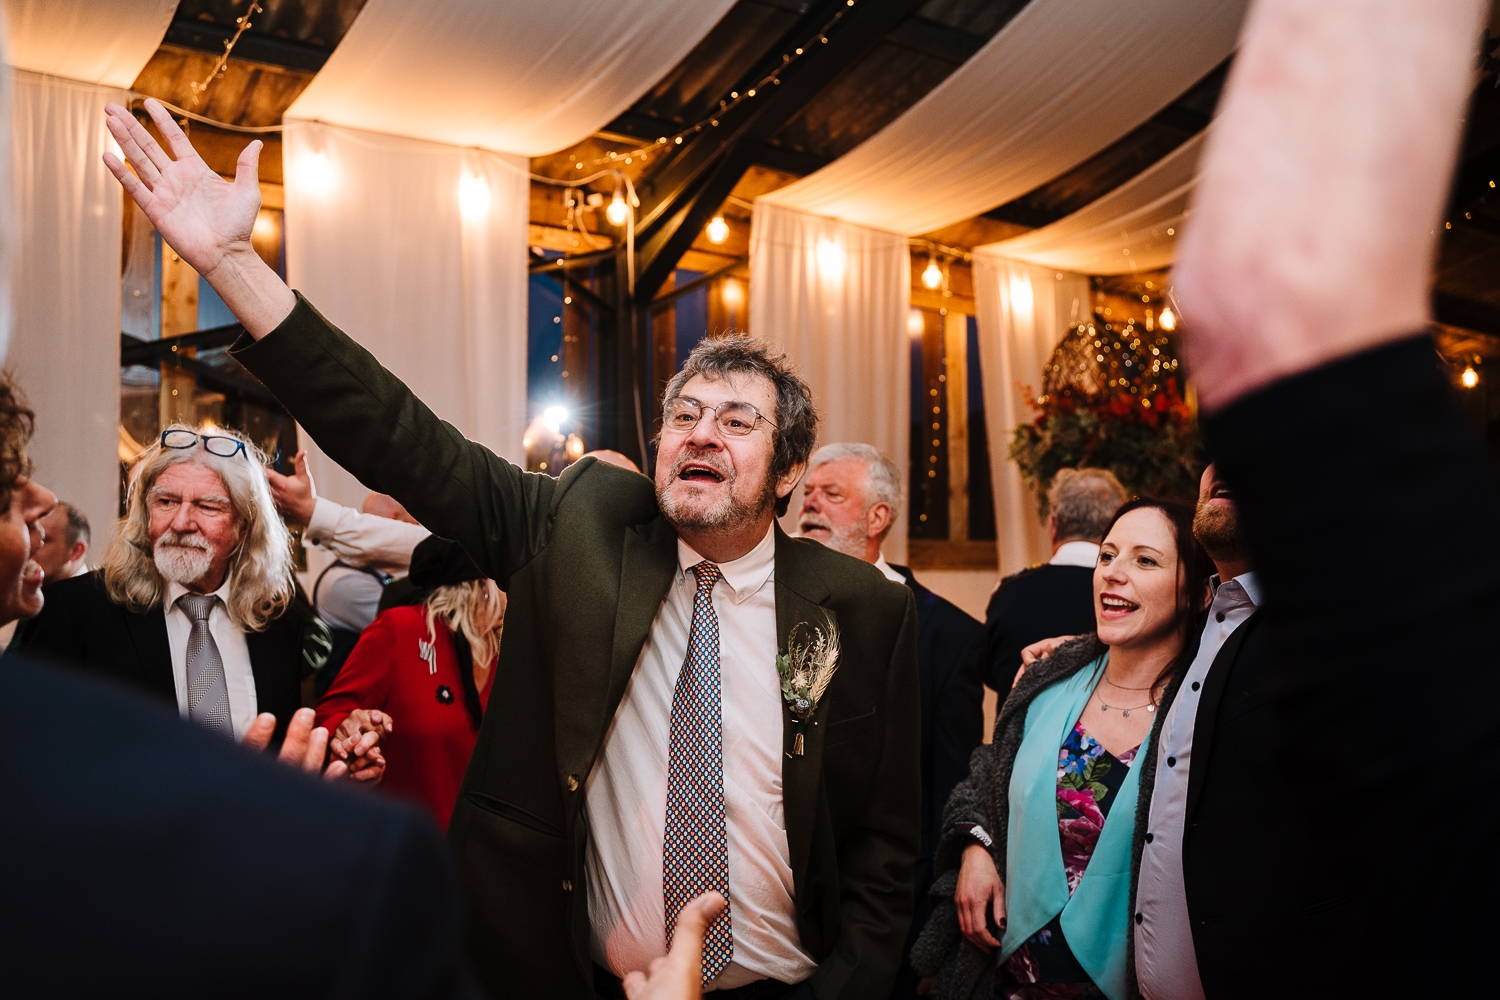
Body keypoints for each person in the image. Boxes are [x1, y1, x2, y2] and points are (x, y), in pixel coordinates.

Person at [102, 98, 922, 999]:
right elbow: (402, 437)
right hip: (572, 977)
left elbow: (883, 840)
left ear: (789, 469)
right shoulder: (580, 525)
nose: (699, 434)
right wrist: (230, 264)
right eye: (683, 415)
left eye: (736, 421)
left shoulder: (865, 608)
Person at [912, 499, 1210, 1000]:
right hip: (1002, 979)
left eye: (1145, 560)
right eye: (1108, 555)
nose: (1114, 573)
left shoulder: (1202, 710)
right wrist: (976, 847)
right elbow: (986, 774)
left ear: (1199, 594)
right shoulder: (1048, 679)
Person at [795, 442, 986, 1000]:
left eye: (831, 495)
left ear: (879, 517)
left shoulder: (949, 636)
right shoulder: (762, 603)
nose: (811, 506)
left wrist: (924, 927)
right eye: (807, 494)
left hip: (885, 909)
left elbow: (947, 791)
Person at [11, 424, 332, 748]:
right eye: (166, 501)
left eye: (207, 506)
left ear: (243, 527)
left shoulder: (277, 621)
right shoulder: (73, 612)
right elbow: (29, 747)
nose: (180, 523)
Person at [316, 535, 505, 828]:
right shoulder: (400, 630)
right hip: (410, 848)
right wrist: (351, 733)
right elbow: (327, 716)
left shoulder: (506, 650)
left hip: (487, 852)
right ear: (481, 586)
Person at [269, 449, 431, 692]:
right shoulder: (343, 583)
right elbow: (414, 632)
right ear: (394, 522)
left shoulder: (372, 573)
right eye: (412, 525)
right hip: (344, 706)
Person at [983, 469, 1126, 694]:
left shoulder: (1007, 591)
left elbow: (990, 670)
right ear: (1116, 527)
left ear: (1052, 526)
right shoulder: (1126, 594)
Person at [31, 499, 89, 581]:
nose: (29, 547)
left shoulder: (99, 592)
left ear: (76, 551)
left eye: (42, 540)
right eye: (28, 538)